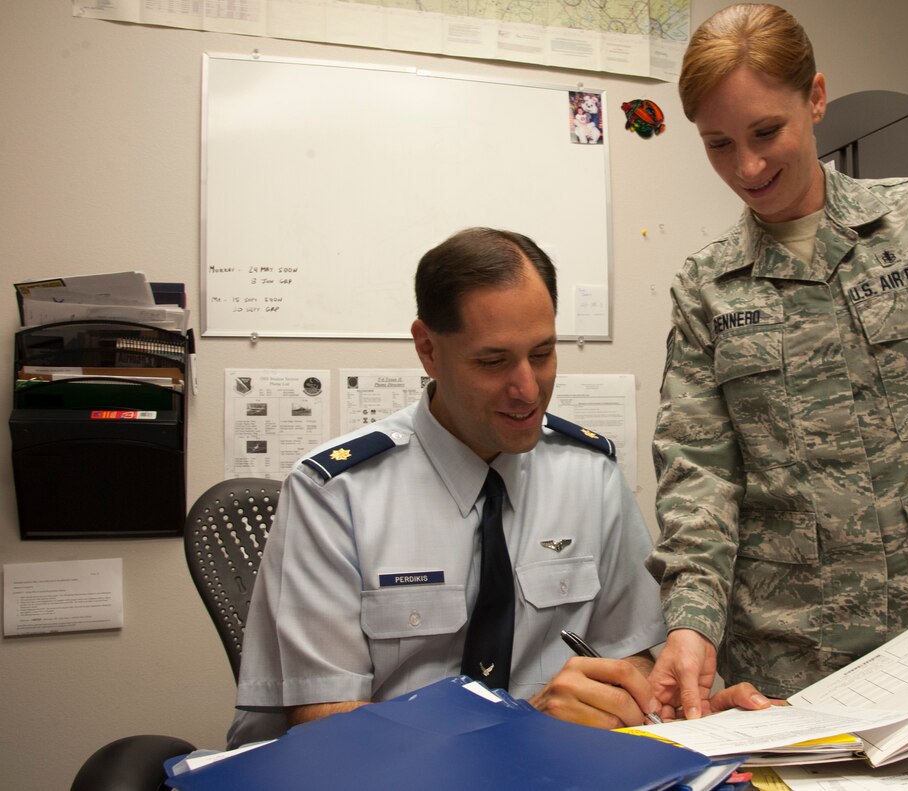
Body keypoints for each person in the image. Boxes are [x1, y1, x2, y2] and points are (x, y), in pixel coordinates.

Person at [646, 3, 908, 728]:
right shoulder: (707, 286)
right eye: (718, 144)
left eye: (765, 132)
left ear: (814, 98)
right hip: (794, 667)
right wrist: (691, 619)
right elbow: (700, 476)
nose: (746, 167)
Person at [228, 227, 768, 747]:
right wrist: (519, 726)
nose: (528, 390)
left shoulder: (589, 473)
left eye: (542, 353)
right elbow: (324, 725)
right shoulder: (335, 494)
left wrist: (678, 709)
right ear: (428, 349)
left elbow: (634, 652)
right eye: (493, 361)